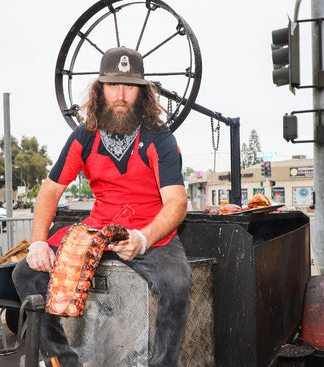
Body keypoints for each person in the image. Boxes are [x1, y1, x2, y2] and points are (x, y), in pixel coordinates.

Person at [12, 46, 192, 367]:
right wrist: (39, 242)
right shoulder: (84, 136)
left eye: (130, 86)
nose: (121, 95)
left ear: (142, 92)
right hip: (98, 227)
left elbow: (177, 203)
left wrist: (143, 238)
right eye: (113, 85)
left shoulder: (157, 136)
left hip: (149, 231)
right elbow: (51, 190)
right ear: (99, 89)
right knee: (26, 274)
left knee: (177, 286)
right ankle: (63, 361)